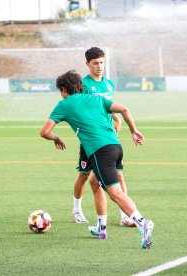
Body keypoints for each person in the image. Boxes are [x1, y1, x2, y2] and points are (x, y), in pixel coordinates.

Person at [40, 70, 154, 249]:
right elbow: (124, 109)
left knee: (115, 193)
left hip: (100, 151)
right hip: (116, 147)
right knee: (94, 182)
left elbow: (44, 132)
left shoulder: (64, 104)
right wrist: (133, 130)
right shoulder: (97, 99)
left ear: (63, 89)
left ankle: (142, 222)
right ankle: (101, 228)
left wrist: (56, 138)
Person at [71, 47, 136, 227]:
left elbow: (107, 105)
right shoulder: (82, 86)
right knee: (84, 176)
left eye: (102, 62)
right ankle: (76, 208)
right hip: (90, 139)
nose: (99, 66)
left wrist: (116, 119)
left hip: (107, 138)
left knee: (119, 176)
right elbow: (81, 109)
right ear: (87, 64)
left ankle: (125, 216)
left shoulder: (108, 84)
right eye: (95, 63)